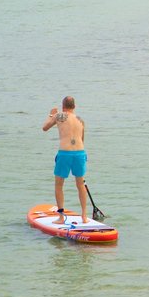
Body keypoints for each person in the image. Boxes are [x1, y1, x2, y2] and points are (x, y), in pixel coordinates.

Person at [42, 96, 88, 224]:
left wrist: (51, 115)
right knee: (80, 184)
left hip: (65, 153)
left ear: (63, 106)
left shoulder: (59, 116)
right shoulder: (80, 120)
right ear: (74, 107)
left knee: (59, 185)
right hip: (80, 153)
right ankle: (84, 216)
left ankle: (61, 217)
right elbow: (82, 140)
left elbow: (44, 128)